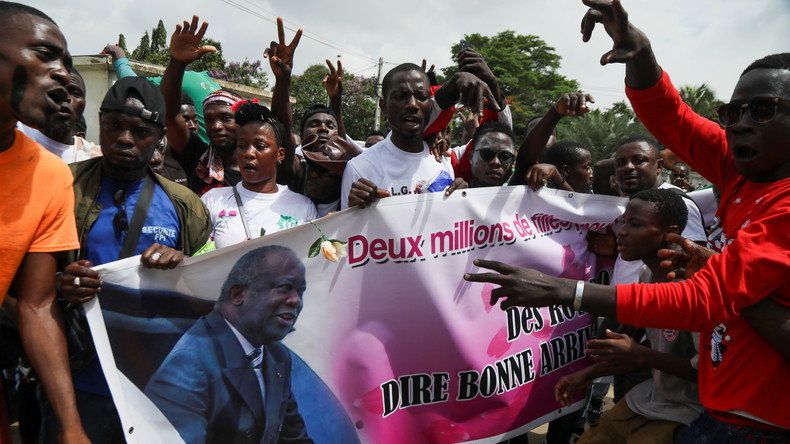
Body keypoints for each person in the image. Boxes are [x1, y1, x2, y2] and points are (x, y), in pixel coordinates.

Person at [465, 0, 790, 441]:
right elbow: (671, 117)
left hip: (762, 424)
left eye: (763, 110)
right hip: (728, 408)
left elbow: (701, 300)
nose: (739, 126)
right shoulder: (743, 172)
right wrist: (639, 53)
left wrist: (562, 290)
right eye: (733, 113)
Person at [49, 76, 211, 443]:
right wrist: (60, 284)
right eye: (114, 126)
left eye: (140, 131)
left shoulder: (185, 206)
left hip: (156, 386)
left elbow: (210, 289)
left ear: (158, 138)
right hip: (80, 380)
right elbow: (28, 284)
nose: (125, 138)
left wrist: (183, 265)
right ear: (100, 126)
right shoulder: (61, 187)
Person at [0, 3, 89, 442]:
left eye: (68, 64)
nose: (63, 75)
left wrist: (71, 428)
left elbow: (36, 307)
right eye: (44, 54)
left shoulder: (51, 176)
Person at [555, 189, 703, 443]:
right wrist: (587, 375)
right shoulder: (647, 275)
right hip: (650, 399)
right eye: (623, 222)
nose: (621, 231)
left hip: (689, 413)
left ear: (671, 232)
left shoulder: (693, 286)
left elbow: (708, 371)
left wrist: (641, 355)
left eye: (634, 224)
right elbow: (636, 345)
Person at [145, 246, 313, 444]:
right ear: (237, 295)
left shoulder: (276, 354)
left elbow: (293, 438)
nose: (296, 301)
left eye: (300, 291)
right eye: (284, 287)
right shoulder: (188, 365)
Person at [341, 62, 500, 208]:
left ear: (430, 106)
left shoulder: (442, 163)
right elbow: (343, 236)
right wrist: (353, 209)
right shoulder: (359, 169)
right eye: (401, 97)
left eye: (421, 97)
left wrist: (459, 199)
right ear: (384, 106)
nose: (412, 105)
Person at [265, 18, 361, 216]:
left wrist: (335, 104)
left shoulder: (354, 172)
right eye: (314, 124)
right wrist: (283, 80)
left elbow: (342, 147)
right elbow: (281, 128)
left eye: (329, 125)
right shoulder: (296, 170)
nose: (323, 129)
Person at [200, 100, 317, 249]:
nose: (248, 153)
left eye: (260, 146)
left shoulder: (304, 207)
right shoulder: (213, 200)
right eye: (242, 146)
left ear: (280, 154)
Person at [161, 16, 242, 196]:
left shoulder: (262, 166)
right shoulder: (198, 159)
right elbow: (170, 115)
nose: (216, 126)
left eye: (226, 118)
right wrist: (177, 62)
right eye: (209, 119)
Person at [17, 66, 101, 163]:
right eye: (57, 90)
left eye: (75, 93)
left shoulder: (94, 159)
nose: (66, 97)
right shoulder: (14, 136)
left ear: (83, 105)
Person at [467, 121, 517, 188]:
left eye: (505, 157)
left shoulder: (526, 195)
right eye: (487, 154)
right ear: (471, 157)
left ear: (513, 162)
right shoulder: (452, 194)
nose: (496, 162)